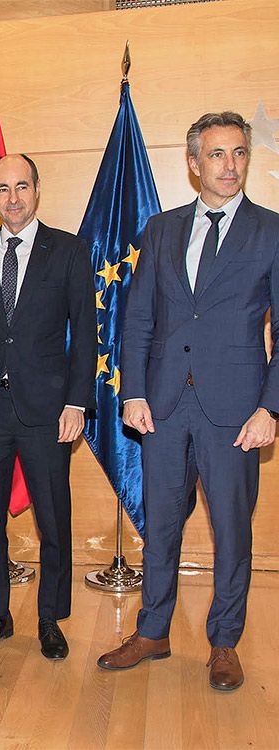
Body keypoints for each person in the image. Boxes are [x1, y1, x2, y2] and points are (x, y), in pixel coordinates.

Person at [98, 112, 279, 691]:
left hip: (237, 412)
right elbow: (140, 316)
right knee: (161, 525)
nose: (230, 165)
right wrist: (135, 392)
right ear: (194, 163)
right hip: (165, 406)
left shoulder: (271, 231)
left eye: (239, 153)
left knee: (232, 531)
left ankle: (224, 642)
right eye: (218, 155)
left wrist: (270, 408)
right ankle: (152, 631)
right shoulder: (160, 229)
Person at [0, 154, 96, 660]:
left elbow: (86, 338)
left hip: (47, 410)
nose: (13, 198)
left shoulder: (71, 252)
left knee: (54, 520)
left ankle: (51, 617)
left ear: (37, 190)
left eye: (22, 186)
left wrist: (77, 402)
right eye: (2, 189)